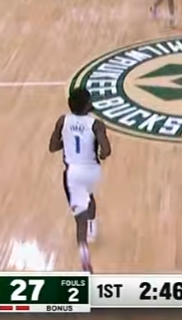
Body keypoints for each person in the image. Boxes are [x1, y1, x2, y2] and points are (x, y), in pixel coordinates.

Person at [49, 87, 113, 273]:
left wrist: (67, 141)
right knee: (89, 195)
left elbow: (53, 147)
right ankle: (92, 225)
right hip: (91, 171)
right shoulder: (96, 124)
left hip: (72, 173)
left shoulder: (63, 121)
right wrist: (101, 152)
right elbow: (106, 150)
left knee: (79, 221)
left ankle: (85, 260)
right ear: (87, 105)